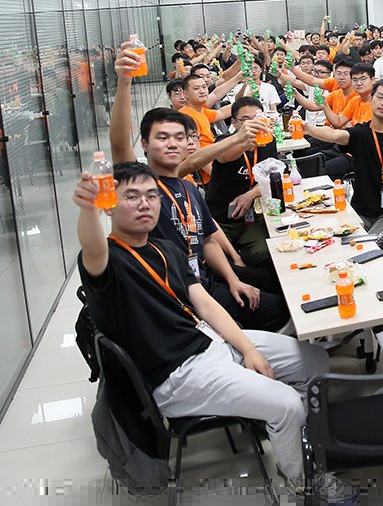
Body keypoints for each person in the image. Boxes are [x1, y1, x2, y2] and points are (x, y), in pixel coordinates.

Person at [74, 160, 357, 503]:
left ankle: (292, 440)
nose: (144, 203)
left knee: (313, 360)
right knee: (286, 405)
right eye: (131, 197)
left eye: (151, 196)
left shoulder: (166, 249)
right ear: (109, 205)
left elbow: (206, 305)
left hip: (209, 343)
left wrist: (248, 350)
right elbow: (92, 247)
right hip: (175, 373)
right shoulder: (109, 261)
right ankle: (303, 481)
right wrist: (87, 207)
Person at [111, 46, 288, 331]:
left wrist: (233, 276)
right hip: (174, 295)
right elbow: (120, 145)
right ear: (144, 144)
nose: (172, 144)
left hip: (203, 277)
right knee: (277, 307)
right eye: (162, 138)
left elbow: (206, 237)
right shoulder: (143, 186)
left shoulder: (189, 188)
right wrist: (124, 82)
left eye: (179, 138)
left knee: (272, 280)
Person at [304, 80, 383, 244]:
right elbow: (335, 135)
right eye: (380, 97)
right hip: (360, 211)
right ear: (370, 99)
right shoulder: (360, 133)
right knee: (338, 243)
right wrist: (308, 129)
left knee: (367, 243)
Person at [204, 97, 281, 258]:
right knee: (218, 259)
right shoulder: (225, 141)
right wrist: (247, 143)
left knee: (265, 254)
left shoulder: (268, 141)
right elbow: (225, 156)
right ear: (234, 122)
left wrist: (249, 196)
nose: (253, 124)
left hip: (250, 220)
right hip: (220, 220)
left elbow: (271, 176)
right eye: (245, 120)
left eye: (257, 118)